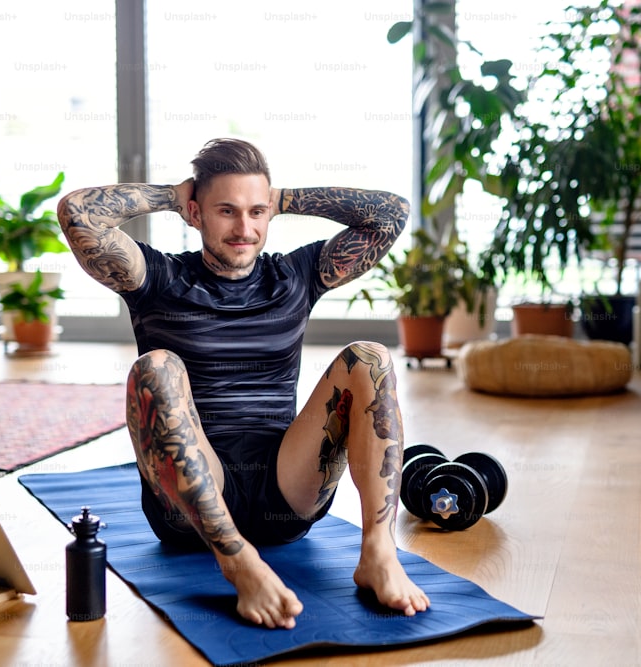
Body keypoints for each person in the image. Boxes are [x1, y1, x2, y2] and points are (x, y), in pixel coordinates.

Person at [56, 137, 430, 629]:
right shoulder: (157, 278)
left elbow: (390, 213)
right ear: (196, 214)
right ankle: (238, 561)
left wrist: (288, 197)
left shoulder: (297, 276)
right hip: (190, 508)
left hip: (286, 491)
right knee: (156, 367)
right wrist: (172, 193)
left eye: (258, 211)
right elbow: (77, 212)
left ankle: (378, 553)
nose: (245, 228)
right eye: (226, 210)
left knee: (370, 358)